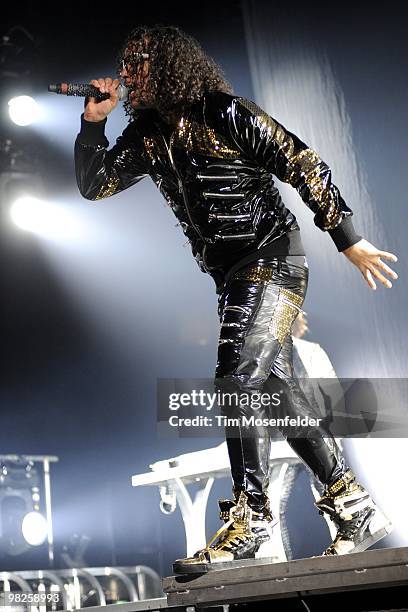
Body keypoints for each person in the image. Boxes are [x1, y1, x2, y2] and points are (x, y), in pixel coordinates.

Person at [74, 25, 398, 573]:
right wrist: (92, 125)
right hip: (231, 275)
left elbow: (302, 162)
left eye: (139, 63)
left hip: (273, 260)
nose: (128, 74)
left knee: (237, 374)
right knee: (280, 395)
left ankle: (252, 515)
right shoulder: (147, 133)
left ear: (169, 63)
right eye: (124, 64)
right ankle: (353, 506)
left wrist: (348, 238)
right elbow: (95, 184)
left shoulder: (225, 111)